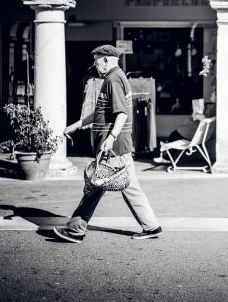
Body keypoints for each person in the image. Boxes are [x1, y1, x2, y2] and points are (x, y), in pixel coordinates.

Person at [53, 45, 162, 243]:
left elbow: (121, 113)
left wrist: (110, 138)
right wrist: (78, 125)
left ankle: (76, 229)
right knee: (125, 187)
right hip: (116, 146)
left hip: (113, 147)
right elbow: (100, 113)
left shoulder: (113, 79)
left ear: (106, 60)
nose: (95, 65)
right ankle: (152, 226)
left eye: (96, 61)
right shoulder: (116, 77)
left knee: (95, 186)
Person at [153, 90, 216, 165]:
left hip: (197, 135)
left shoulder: (214, 106)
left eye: (213, 93)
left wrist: (195, 114)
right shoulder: (214, 106)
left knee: (174, 135)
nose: (211, 94)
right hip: (200, 134)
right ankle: (166, 155)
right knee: (175, 135)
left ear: (217, 96)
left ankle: (166, 156)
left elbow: (204, 118)